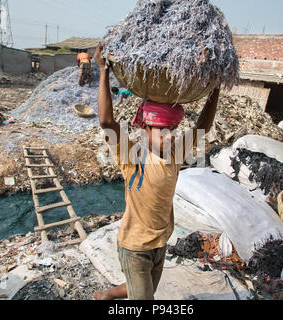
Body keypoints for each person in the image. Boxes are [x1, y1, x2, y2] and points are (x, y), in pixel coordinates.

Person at [93, 43, 220, 300]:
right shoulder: (131, 156)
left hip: (160, 243)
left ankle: (105, 295)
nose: (169, 137)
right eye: (161, 131)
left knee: (142, 289)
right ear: (145, 130)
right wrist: (104, 71)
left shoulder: (175, 155)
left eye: (172, 130)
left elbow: (202, 128)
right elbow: (107, 122)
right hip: (134, 246)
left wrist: (215, 90)